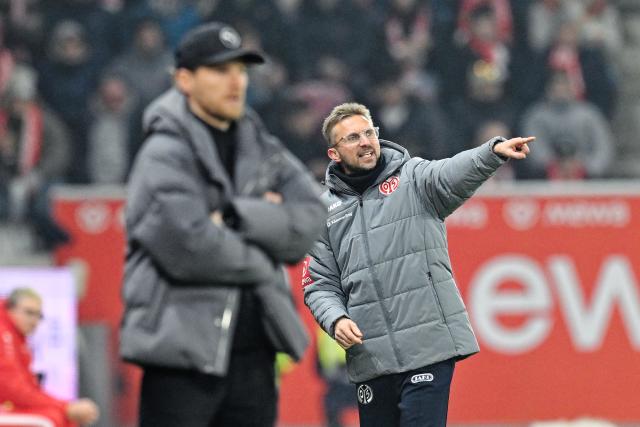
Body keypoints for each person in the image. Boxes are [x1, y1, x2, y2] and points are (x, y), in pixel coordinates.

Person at [119, 22, 327, 427]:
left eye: (241, 70)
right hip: (181, 356)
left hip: (254, 356)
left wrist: (236, 215)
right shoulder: (163, 153)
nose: (236, 81)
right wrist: (267, 252)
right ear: (184, 79)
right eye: (219, 70)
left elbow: (311, 218)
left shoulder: (259, 143)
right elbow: (191, 248)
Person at [303, 102, 534, 427]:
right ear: (334, 154)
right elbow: (319, 284)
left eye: (369, 132)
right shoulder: (324, 212)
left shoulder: (413, 177)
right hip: (372, 358)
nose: (366, 141)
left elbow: (452, 172)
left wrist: (492, 151)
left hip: (427, 348)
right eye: (353, 138)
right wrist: (336, 319)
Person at [0, 288, 99, 427]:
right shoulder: (4, 335)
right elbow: (12, 390)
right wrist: (65, 407)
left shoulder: (17, 338)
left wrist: (63, 407)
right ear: (10, 309)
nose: (34, 321)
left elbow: (26, 387)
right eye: (29, 313)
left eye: (39, 316)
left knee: (60, 416)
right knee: (52, 418)